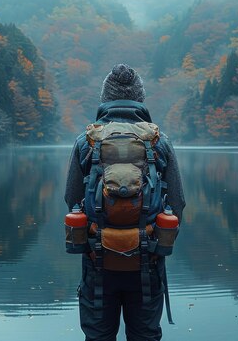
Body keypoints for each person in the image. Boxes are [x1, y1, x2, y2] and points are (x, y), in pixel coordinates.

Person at [64, 64, 186, 341]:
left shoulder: (87, 141)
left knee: (98, 335)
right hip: (147, 259)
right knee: (145, 335)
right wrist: (155, 243)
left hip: (98, 260)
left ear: (105, 98)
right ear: (140, 98)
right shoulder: (158, 141)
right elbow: (177, 203)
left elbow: (71, 198)